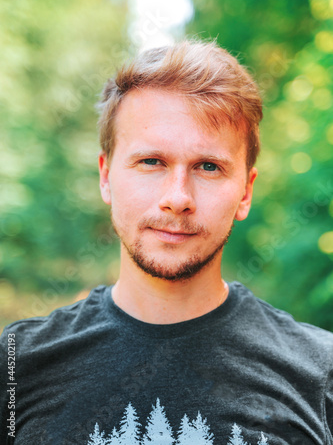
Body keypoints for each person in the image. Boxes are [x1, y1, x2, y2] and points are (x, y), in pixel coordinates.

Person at [0, 40, 332, 445]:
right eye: (152, 162)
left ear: (245, 192)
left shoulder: (321, 373)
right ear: (106, 177)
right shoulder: (17, 364)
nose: (178, 198)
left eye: (208, 167)